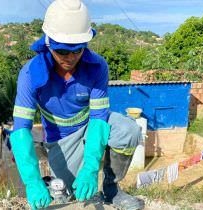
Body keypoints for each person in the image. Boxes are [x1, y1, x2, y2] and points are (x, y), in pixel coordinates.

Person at [9, 0, 145, 209]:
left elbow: (99, 119)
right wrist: (32, 181)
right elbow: (21, 130)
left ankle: (112, 190)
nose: (70, 57)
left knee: (129, 130)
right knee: (68, 191)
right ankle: (53, 182)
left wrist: (91, 168)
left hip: (90, 124)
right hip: (61, 137)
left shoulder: (97, 66)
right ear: (49, 42)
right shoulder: (30, 74)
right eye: (63, 51)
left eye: (77, 50)